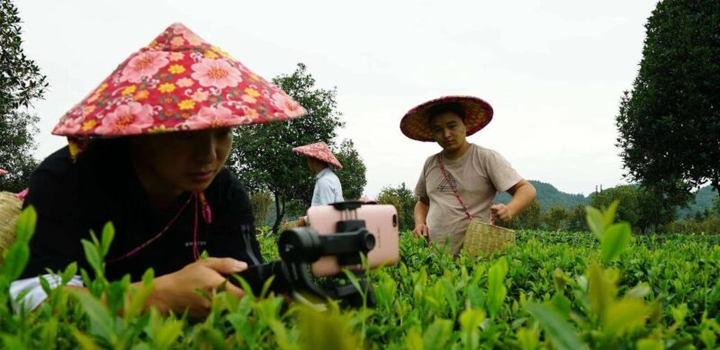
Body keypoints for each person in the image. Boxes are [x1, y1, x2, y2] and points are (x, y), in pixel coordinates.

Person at [9, 23, 307, 318]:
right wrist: (154, 297)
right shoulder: (69, 177)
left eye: (223, 133)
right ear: (141, 132)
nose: (209, 155)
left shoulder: (222, 192)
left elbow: (245, 276)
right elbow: (34, 298)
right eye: (185, 134)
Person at [401, 96, 536, 253]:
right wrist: (419, 223)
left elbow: (526, 189)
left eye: (452, 126)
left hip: (474, 255)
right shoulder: (430, 163)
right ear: (432, 134)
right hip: (433, 256)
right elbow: (423, 202)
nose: (446, 134)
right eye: (438, 130)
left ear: (465, 125)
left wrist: (510, 209)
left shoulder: (485, 158)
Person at [288, 142, 344, 227]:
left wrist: (305, 220)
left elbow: (326, 212)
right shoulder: (332, 177)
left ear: (312, 160)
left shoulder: (324, 181)